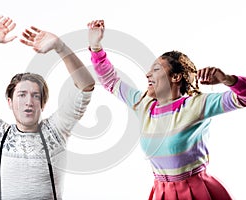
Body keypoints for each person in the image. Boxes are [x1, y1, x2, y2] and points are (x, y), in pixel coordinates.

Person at [87, 20, 246, 200]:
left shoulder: (195, 105)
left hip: (197, 192)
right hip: (162, 193)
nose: (147, 74)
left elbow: (243, 98)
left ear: (176, 77)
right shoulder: (143, 103)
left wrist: (227, 79)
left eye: (155, 69)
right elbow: (110, 81)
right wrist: (95, 46)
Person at [0, 16, 95, 200]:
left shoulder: (57, 130)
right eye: (21, 95)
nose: (29, 101)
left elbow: (86, 86)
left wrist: (60, 47)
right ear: (9, 102)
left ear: (42, 103)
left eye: (35, 96)